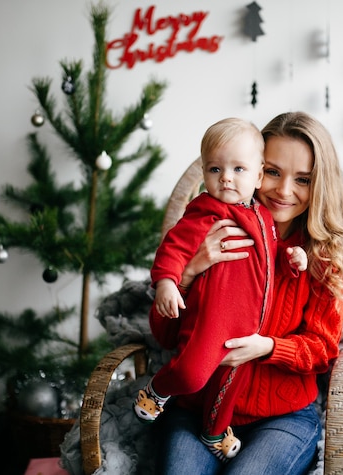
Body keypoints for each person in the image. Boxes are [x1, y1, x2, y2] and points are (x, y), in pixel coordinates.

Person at [155, 111, 343, 474]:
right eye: (273, 172)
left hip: (281, 415)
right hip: (197, 409)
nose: (283, 191)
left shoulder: (323, 257)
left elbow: (324, 350)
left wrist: (267, 347)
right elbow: (165, 334)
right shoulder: (209, 228)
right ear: (254, 167)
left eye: (303, 179)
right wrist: (188, 273)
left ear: (320, 185)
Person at [135, 117, 307, 460]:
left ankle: (214, 434)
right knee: (192, 374)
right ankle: (156, 390)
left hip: (247, 330)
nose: (226, 177)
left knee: (225, 391)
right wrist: (171, 281)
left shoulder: (264, 217)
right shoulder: (206, 211)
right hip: (213, 322)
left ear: (256, 176)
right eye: (215, 169)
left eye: (238, 169)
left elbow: (269, 261)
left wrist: (293, 261)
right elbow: (173, 248)